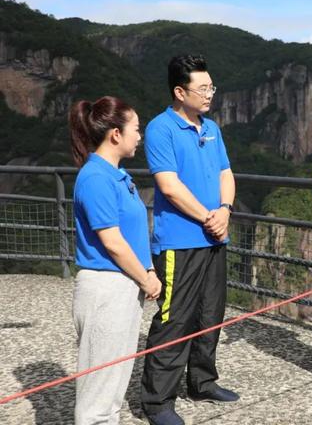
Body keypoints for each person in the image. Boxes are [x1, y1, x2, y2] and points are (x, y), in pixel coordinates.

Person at [141, 55, 236, 425]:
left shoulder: (212, 128)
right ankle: (158, 401)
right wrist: (209, 218)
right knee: (173, 318)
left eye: (211, 86)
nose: (210, 93)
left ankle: (202, 381)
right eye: (203, 88)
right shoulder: (160, 129)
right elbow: (169, 186)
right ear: (180, 92)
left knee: (210, 313)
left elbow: (227, 172)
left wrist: (225, 209)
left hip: (215, 237)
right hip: (179, 242)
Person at [69, 96, 162, 425]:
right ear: (115, 134)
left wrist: (147, 269)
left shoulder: (117, 175)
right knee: (98, 396)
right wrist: (147, 278)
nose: (140, 136)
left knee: (113, 388)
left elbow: (132, 235)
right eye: (136, 129)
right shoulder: (96, 178)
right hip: (106, 288)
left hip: (123, 287)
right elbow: (113, 242)